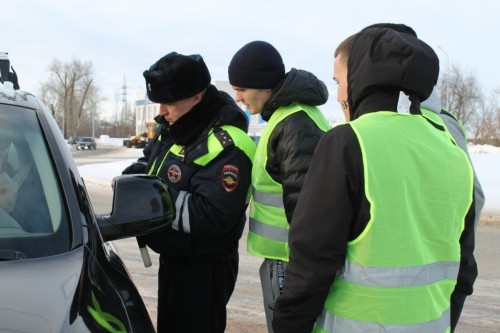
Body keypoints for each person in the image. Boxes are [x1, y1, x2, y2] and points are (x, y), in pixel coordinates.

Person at [273, 27, 477, 333]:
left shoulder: (348, 141)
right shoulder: (452, 150)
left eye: (340, 82)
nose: (340, 94)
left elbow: (312, 260)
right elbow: (464, 268)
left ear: (359, 80)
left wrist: (287, 326)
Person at [122, 52, 256, 333]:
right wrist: (133, 177)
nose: (161, 110)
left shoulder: (228, 144)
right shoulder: (175, 125)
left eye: (169, 102)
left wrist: (150, 198)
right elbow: (153, 161)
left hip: (204, 270)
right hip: (174, 259)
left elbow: (215, 214)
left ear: (197, 97)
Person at [228, 40, 331, 332]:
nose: (237, 97)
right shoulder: (289, 118)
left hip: (292, 263)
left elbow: (310, 217)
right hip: (286, 259)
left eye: (242, 88)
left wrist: (300, 280)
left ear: (262, 84)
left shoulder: (294, 125)